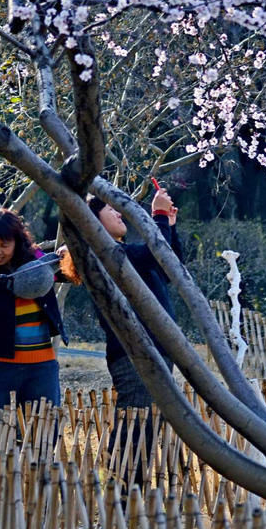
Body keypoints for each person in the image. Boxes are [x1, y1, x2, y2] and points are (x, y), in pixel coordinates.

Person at [87, 186, 182, 481]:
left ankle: (129, 497)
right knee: (135, 425)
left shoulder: (126, 255)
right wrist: (159, 216)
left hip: (155, 351)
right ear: (92, 221)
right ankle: (122, 498)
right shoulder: (108, 255)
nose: (119, 212)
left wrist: (170, 227)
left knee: (145, 425)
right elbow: (156, 256)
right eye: (110, 209)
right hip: (134, 354)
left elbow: (170, 267)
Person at [0, 208, 70, 413]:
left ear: (17, 242)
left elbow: (68, 273)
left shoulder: (36, 264)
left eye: (5, 245)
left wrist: (66, 255)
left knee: (42, 434)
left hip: (41, 365)